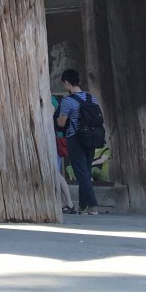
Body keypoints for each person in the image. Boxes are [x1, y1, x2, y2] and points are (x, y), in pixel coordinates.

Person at [54, 68, 99, 216]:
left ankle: (92, 205)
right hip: (91, 138)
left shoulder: (68, 101)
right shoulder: (91, 98)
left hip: (75, 138)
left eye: (64, 84)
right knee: (85, 171)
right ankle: (83, 206)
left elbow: (61, 123)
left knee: (81, 173)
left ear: (67, 82)